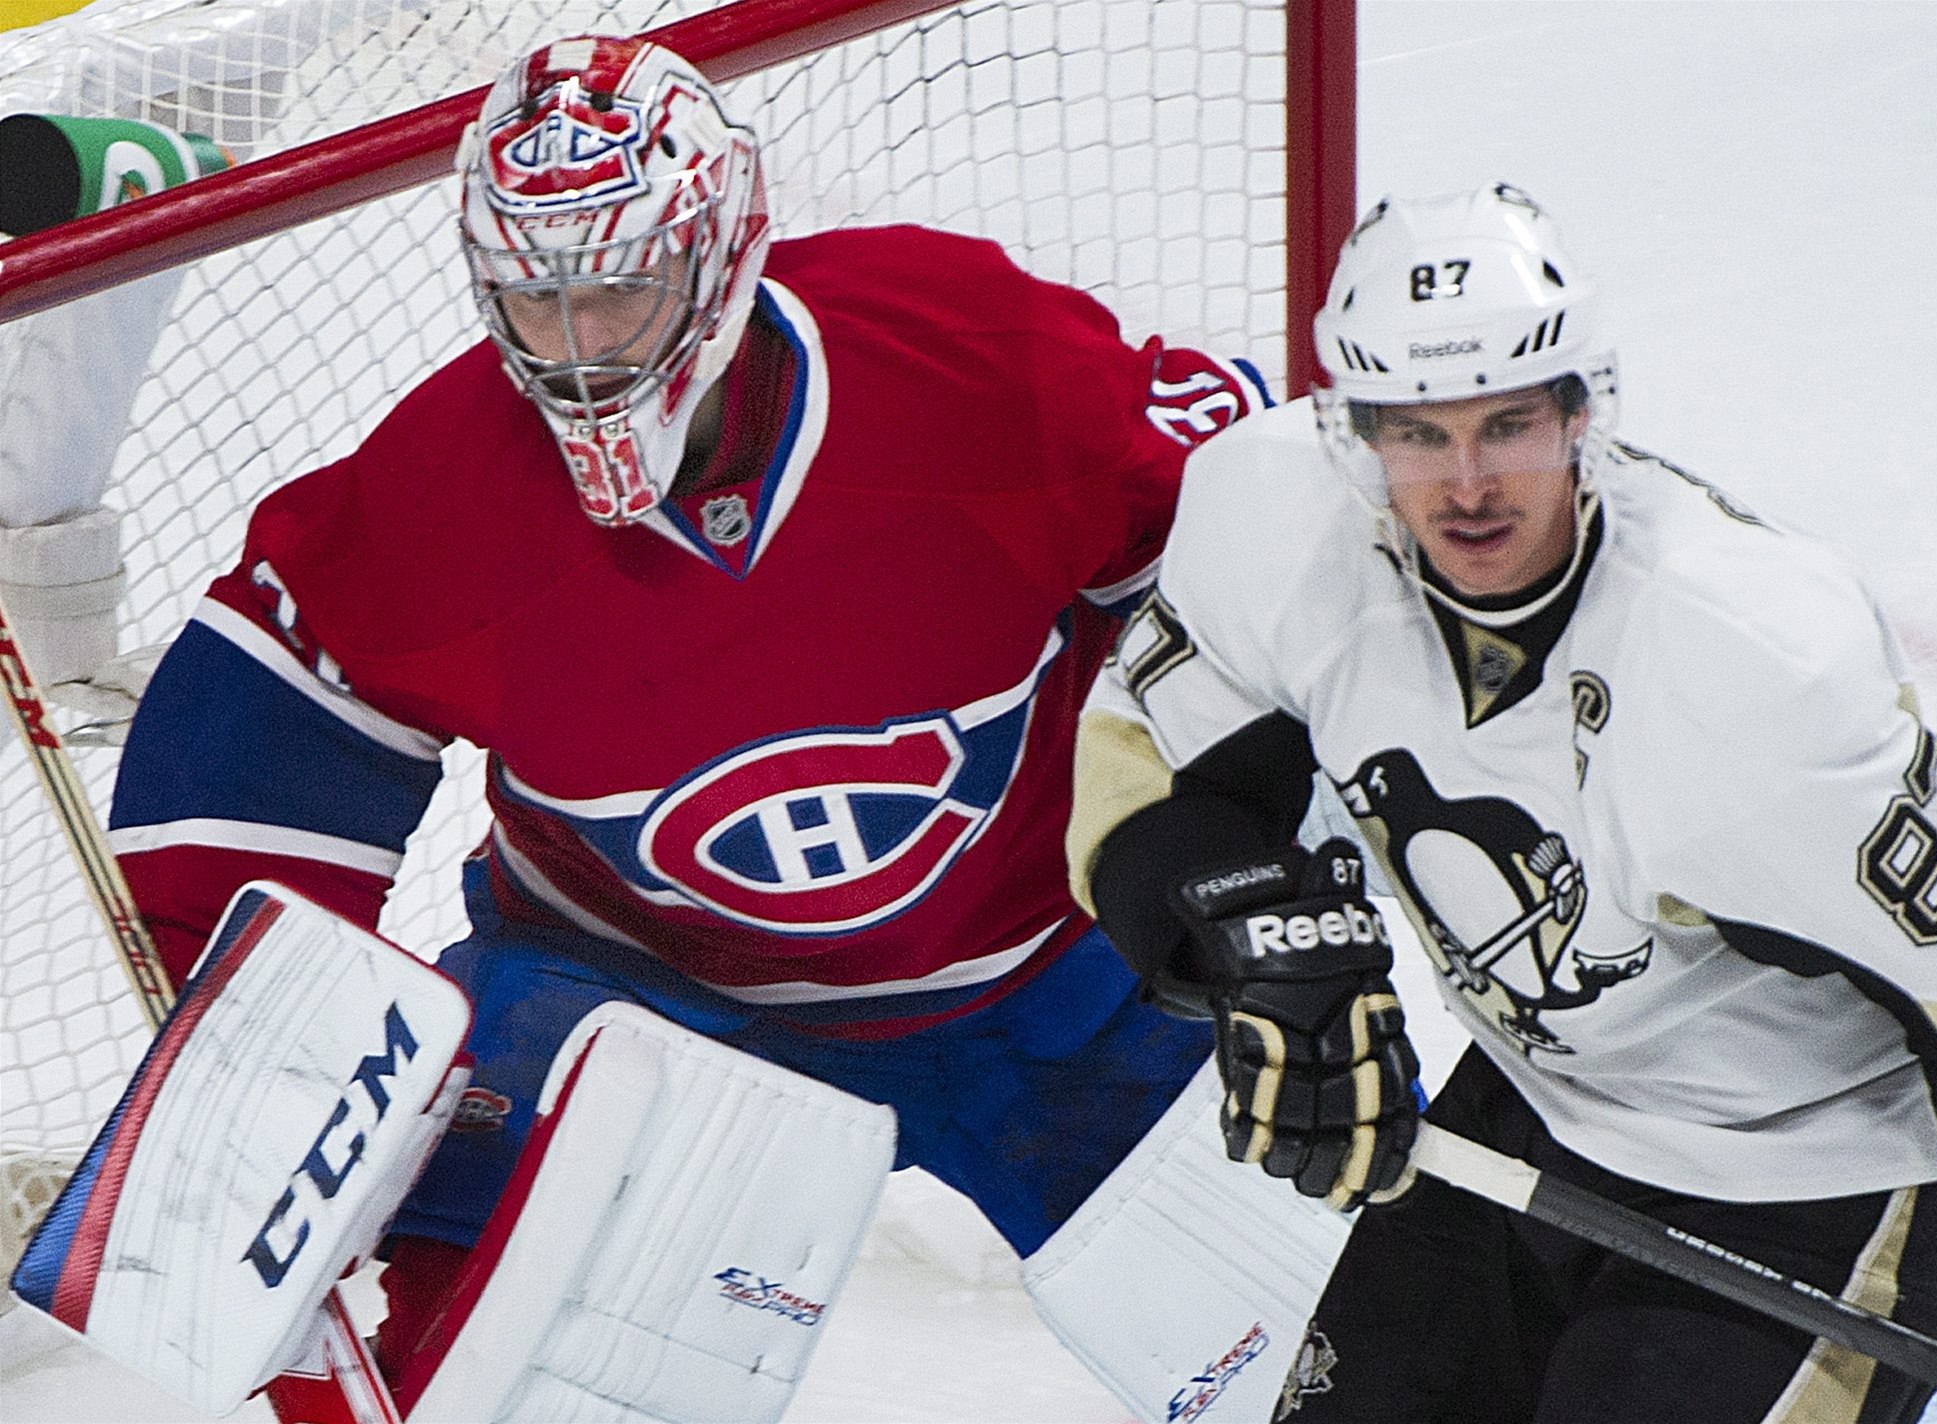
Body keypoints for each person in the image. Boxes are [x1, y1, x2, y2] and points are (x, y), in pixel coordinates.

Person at [83, 33, 1338, 1424]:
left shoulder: (974, 357)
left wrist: (1253, 860)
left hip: (1056, 976)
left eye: (617, 290)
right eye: (535, 300)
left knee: (1354, 1345)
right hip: (640, 1005)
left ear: (722, 246)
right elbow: (264, 733)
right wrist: (269, 1078)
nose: (578, 347)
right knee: (473, 1389)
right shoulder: (443, 489)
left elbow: (1250, 542)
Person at [1067, 181, 1937, 1424]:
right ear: (1354, 429)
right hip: (1528, 1110)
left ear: (1579, 411)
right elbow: (1143, 770)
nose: (1466, 485)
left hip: (1808, 1184)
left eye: (1505, 424)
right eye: (1417, 432)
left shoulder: (1745, 663)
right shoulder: (1277, 517)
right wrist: (1249, 938)